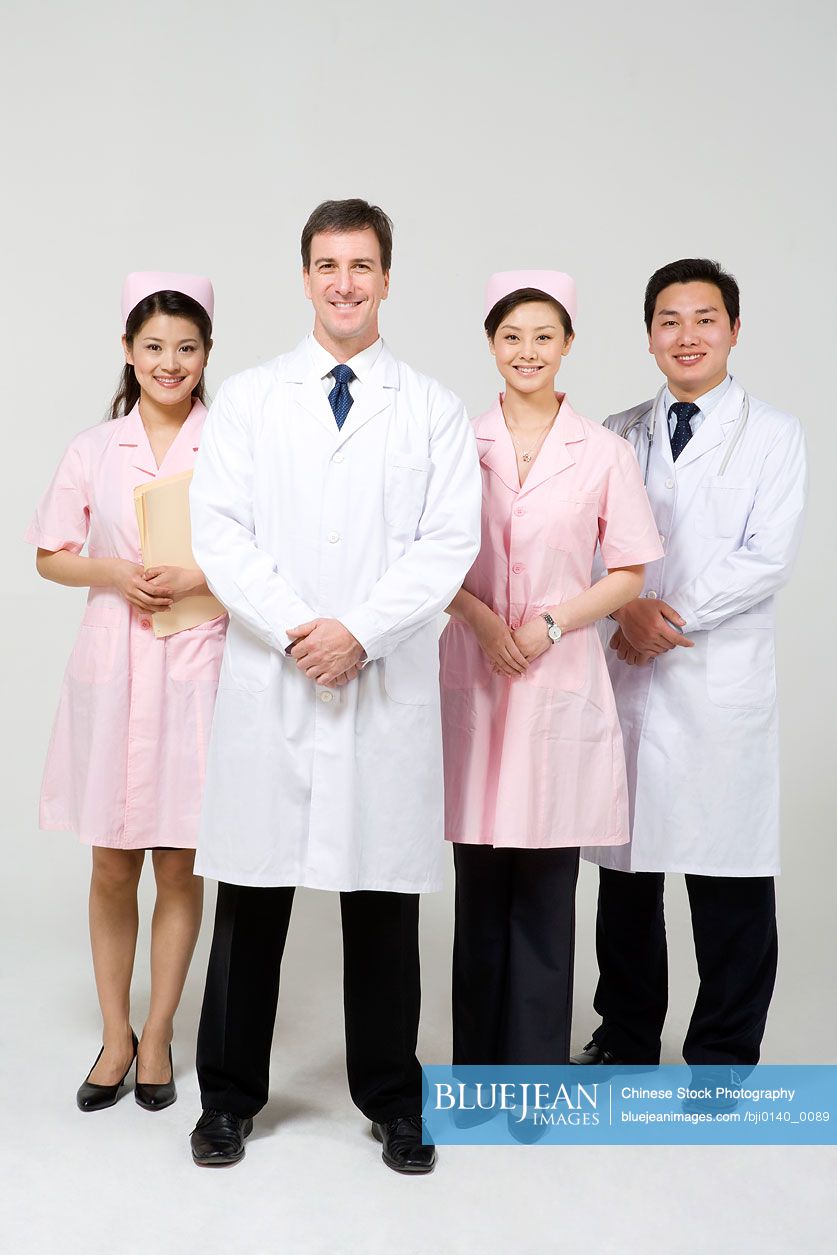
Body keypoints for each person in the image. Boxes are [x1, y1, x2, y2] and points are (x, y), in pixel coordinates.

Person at [187, 199, 481, 1174]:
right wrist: (297, 628)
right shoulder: (252, 399)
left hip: (378, 680)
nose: (345, 281)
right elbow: (219, 529)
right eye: (327, 264)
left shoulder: (431, 407)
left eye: (362, 264)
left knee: (383, 902)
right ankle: (227, 1098)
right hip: (274, 678)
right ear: (305, 277)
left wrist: (360, 632)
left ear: (388, 278)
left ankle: (394, 1099)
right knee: (251, 900)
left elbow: (449, 541)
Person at [573, 258, 807, 1078]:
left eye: (704, 319)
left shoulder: (773, 434)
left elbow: (763, 558)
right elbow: (587, 539)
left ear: (733, 331)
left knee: (727, 873)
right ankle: (626, 1034)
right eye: (669, 320)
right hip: (631, 678)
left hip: (717, 677)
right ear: (648, 336)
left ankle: (723, 1052)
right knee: (626, 877)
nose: (687, 335)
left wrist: (660, 616)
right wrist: (621, 607)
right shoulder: (615, 430)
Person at [440, 271, 663, 1068]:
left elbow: (629, 570)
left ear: (567, 344)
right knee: (478, 887)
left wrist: (544, 625)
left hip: (557, 671)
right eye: (511, 336)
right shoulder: (453, 442)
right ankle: (477, 1074)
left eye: (543, 336)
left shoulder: (601, 451)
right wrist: (477, 619)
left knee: (543, 889)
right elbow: (426, 559)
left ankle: (532, 1074)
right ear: (490, 346)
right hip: (473, 665)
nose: (526, 351)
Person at [26, 272, 225, 1112]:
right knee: (112, 861)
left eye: (185, 347)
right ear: (127, 352)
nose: (169, 362)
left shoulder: (232, 442)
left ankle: (160, 1031)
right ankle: (115, 1033)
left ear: (206, 353)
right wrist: (112, 570)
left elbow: (266, 559)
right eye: (153, 347)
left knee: (180, 861)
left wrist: (197, 574)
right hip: (114, 664)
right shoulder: (93, 448)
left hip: (196, 664)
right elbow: (48, 552)